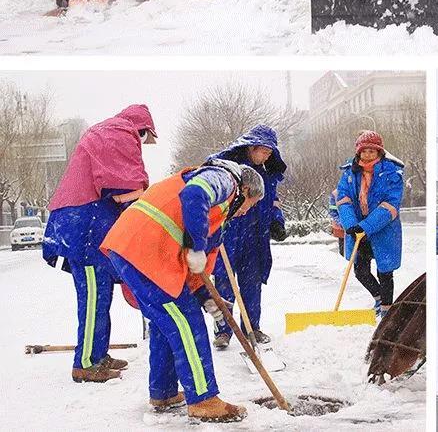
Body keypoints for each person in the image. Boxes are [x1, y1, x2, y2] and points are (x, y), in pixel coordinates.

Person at [101, 158, 264, 422]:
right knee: (186, 322)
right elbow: (194, 193)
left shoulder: (217, 218)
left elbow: (196, 272)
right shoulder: (225, 180)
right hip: (146, 250)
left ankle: (163, 392)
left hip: (138, 249)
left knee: (167, 323)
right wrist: (196, 245)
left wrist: (208, 298)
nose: (246, 211)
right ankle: (203, 399)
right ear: (246, 190)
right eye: (251, 204)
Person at [42, 105, 155, 383]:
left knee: (101, 291)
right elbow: (125, 190)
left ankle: (98, 353)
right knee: (94, 294)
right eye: (145, 137)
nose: (142, 143)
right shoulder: (117, 134)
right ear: (140, 128)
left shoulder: (109, 132)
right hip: (85, 227)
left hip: (87, 224)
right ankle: (86, 363)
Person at [209, 125, 287, 349]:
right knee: (224, 281)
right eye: (263, 151)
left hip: (256, 235)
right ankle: (224, 330)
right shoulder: (229, 170)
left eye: (270, 153)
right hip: (229, 233)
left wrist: (276, 221)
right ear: (251, 147)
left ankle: (252, 327)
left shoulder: (267, 174)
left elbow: (273, 201)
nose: (266, 156)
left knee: (252, 282)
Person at [336, 131, 403, 319]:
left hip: (383, 230)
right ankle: (379, 298)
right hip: (357, 230)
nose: (367, 155)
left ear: (379, 152)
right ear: (358, 152)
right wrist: (351, 224)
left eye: (372, 151)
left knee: (385, 271)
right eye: (364, 151)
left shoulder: (391, 173)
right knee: (361, 270)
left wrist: (367, 226)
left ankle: (387, 311)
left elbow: (390, 205)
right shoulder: (350, 173)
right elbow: (343, 199)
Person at [329, 187, 345, 256]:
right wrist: (341, 223)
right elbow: (333, 211)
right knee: (343, 252)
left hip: (356, 228)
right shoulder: (335, 194)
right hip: (341, 229)